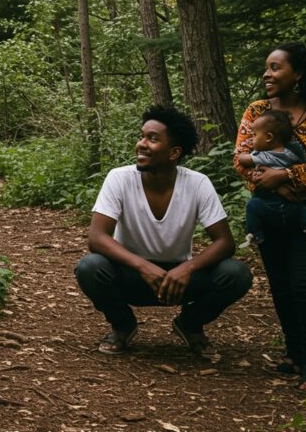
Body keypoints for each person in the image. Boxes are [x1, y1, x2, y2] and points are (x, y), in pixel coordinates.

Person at [75, 105, 252, 360]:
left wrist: (187, 269)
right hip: (131, 276)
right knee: (89, 267)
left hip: (179, 281)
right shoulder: (120, 178)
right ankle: (123, 326)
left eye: (153, 138)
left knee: (237, 274)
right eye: (142, 136)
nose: (142, 144)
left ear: (174, 152)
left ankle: (189, 325)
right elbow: (97, 237)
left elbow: (225, 242)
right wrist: (143, 266)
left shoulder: (197, 183)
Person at [233, 42, 306, 392]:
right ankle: (294, 354)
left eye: (276, 67)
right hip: (267, 210)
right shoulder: (257, 111)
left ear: (298, 74)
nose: (267, 73)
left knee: (302, 283)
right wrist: (274, 184)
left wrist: (288, 176)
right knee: (280, 285)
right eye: (266, 67)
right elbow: (240, 158)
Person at [236, 109, 306, 247]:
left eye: (254, 135)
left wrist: (245, 155)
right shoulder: (290, 153)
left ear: (269, 137)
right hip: (289, 199)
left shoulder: (265, 155)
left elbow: (242, 160)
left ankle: (255, 234)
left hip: (269, 202)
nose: (251, 139)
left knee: (252, 206)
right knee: (299, 209)